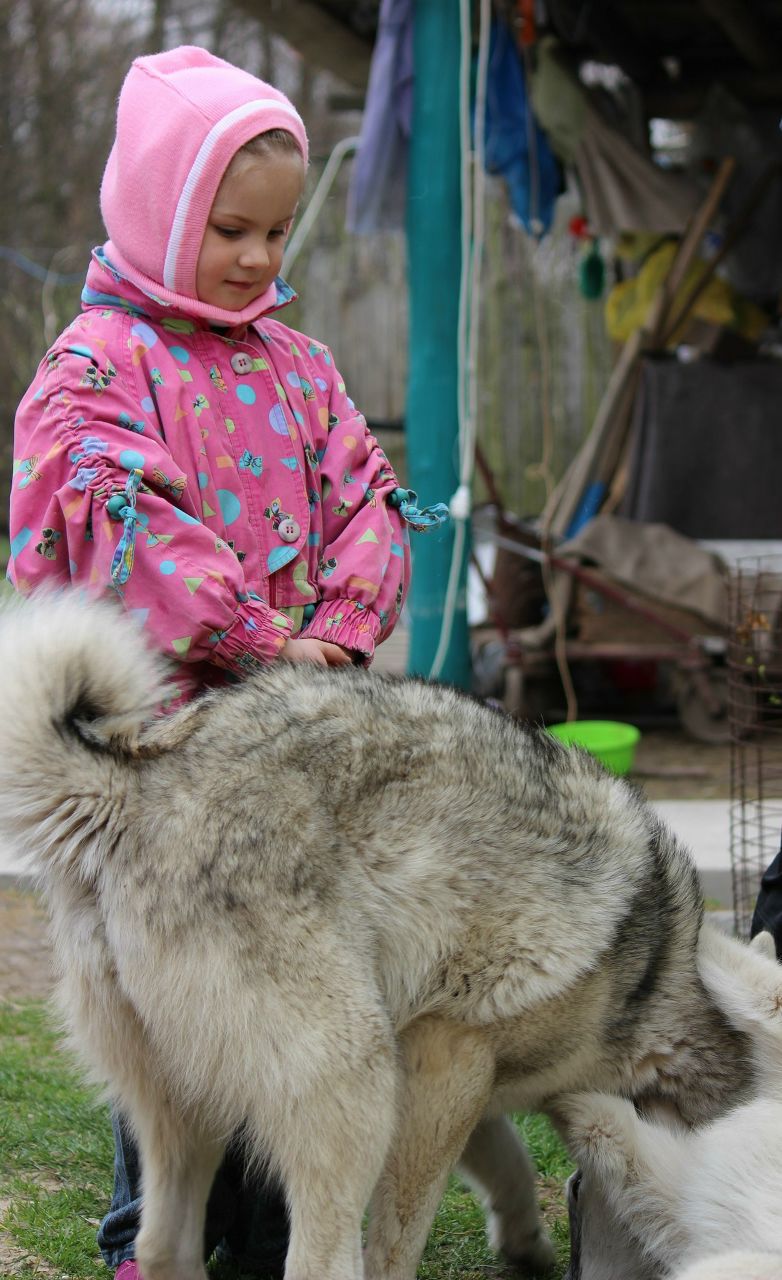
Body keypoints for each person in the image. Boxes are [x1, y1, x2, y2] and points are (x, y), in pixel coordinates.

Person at [9, 45, 446, 1280]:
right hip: (151, 771)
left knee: (284, 1014)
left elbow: (364, 496)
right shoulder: (94, 367)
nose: (259, 258)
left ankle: (260, 1242)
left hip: (293, 767)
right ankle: (147, 1236)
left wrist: (335, 636)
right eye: (228, 228)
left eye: (277, 231)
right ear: (156, 205)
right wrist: (264, 641)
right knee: (162, 1019)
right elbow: (121, 525)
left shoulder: (297, 367)